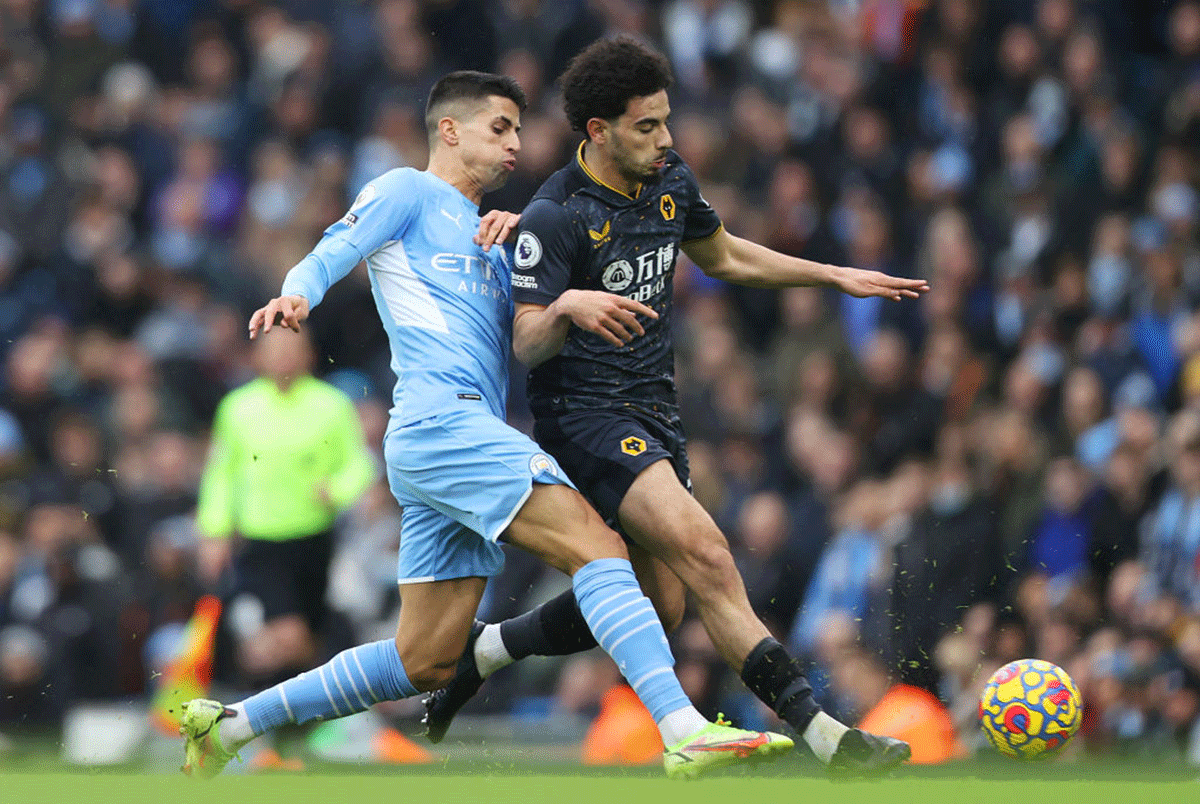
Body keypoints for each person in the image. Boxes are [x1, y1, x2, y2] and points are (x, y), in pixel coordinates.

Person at [179, 70, 791, 781]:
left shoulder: (496, 237)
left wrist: (537, 267)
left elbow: (533, 327)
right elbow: (333, 249)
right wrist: (295, 294)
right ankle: (683, 728)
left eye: (519, 131)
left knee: (426, 658)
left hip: (451, 440)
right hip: (442, 423)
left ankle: (232, 724)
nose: (516, 145)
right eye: (500, 128)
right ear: (450, 129)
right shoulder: (404, 190)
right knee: (597, 549)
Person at [424, 39, 925, 772]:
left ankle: (486, 648)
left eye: (665, 122)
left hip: (656, 411)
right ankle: (829, 736)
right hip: (587, 418)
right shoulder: (554, 213)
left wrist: (831, 274)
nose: (666, 140)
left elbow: (723, 256)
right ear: (598, 131)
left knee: (660, 608)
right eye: (646, 127)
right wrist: (569, 302)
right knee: (709, 554)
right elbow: (527, 342)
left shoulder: (670, 181)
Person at [195, 327, 375, 688]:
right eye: (274, 349)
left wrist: (336, 491)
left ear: (309, 354)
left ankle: (303, 713)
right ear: (257, 356)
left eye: (293, 348)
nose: (284, 356)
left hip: (315, 537)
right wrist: (213, 532)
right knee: (288, 635)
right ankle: (315, 703)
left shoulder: (332, 404)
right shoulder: (238, 408)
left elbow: (359, 465)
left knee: (308, 634)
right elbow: (221, 475)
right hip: (261, 540)